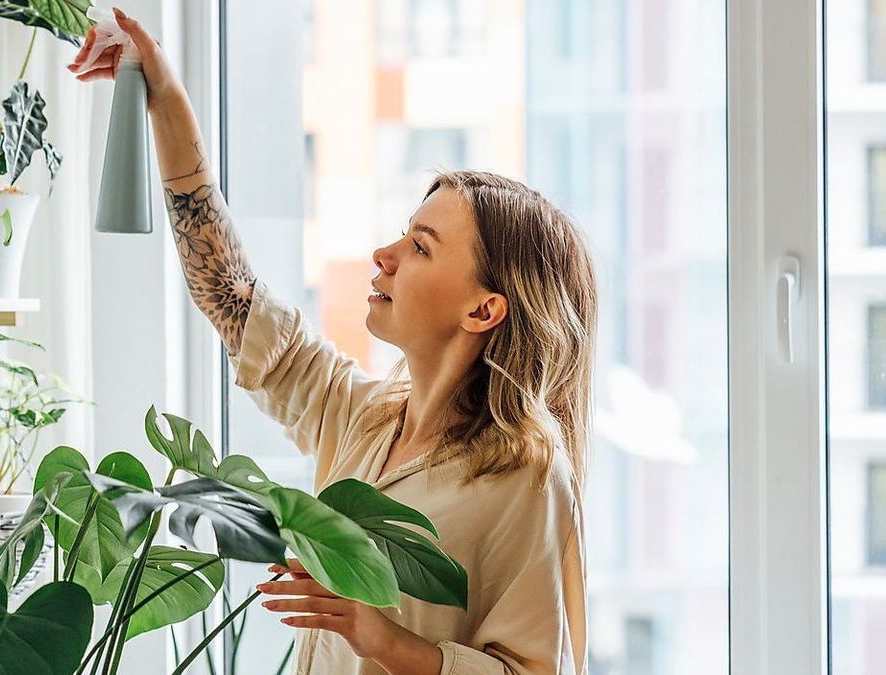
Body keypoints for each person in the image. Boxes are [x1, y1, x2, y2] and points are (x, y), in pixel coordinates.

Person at [70, 9, 596, 675]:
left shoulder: (527, 473)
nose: (385, 253)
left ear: (484, 308)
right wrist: (165, 95)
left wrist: (391, 643)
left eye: (420, 247)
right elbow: (230, 293)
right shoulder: (360, 416)